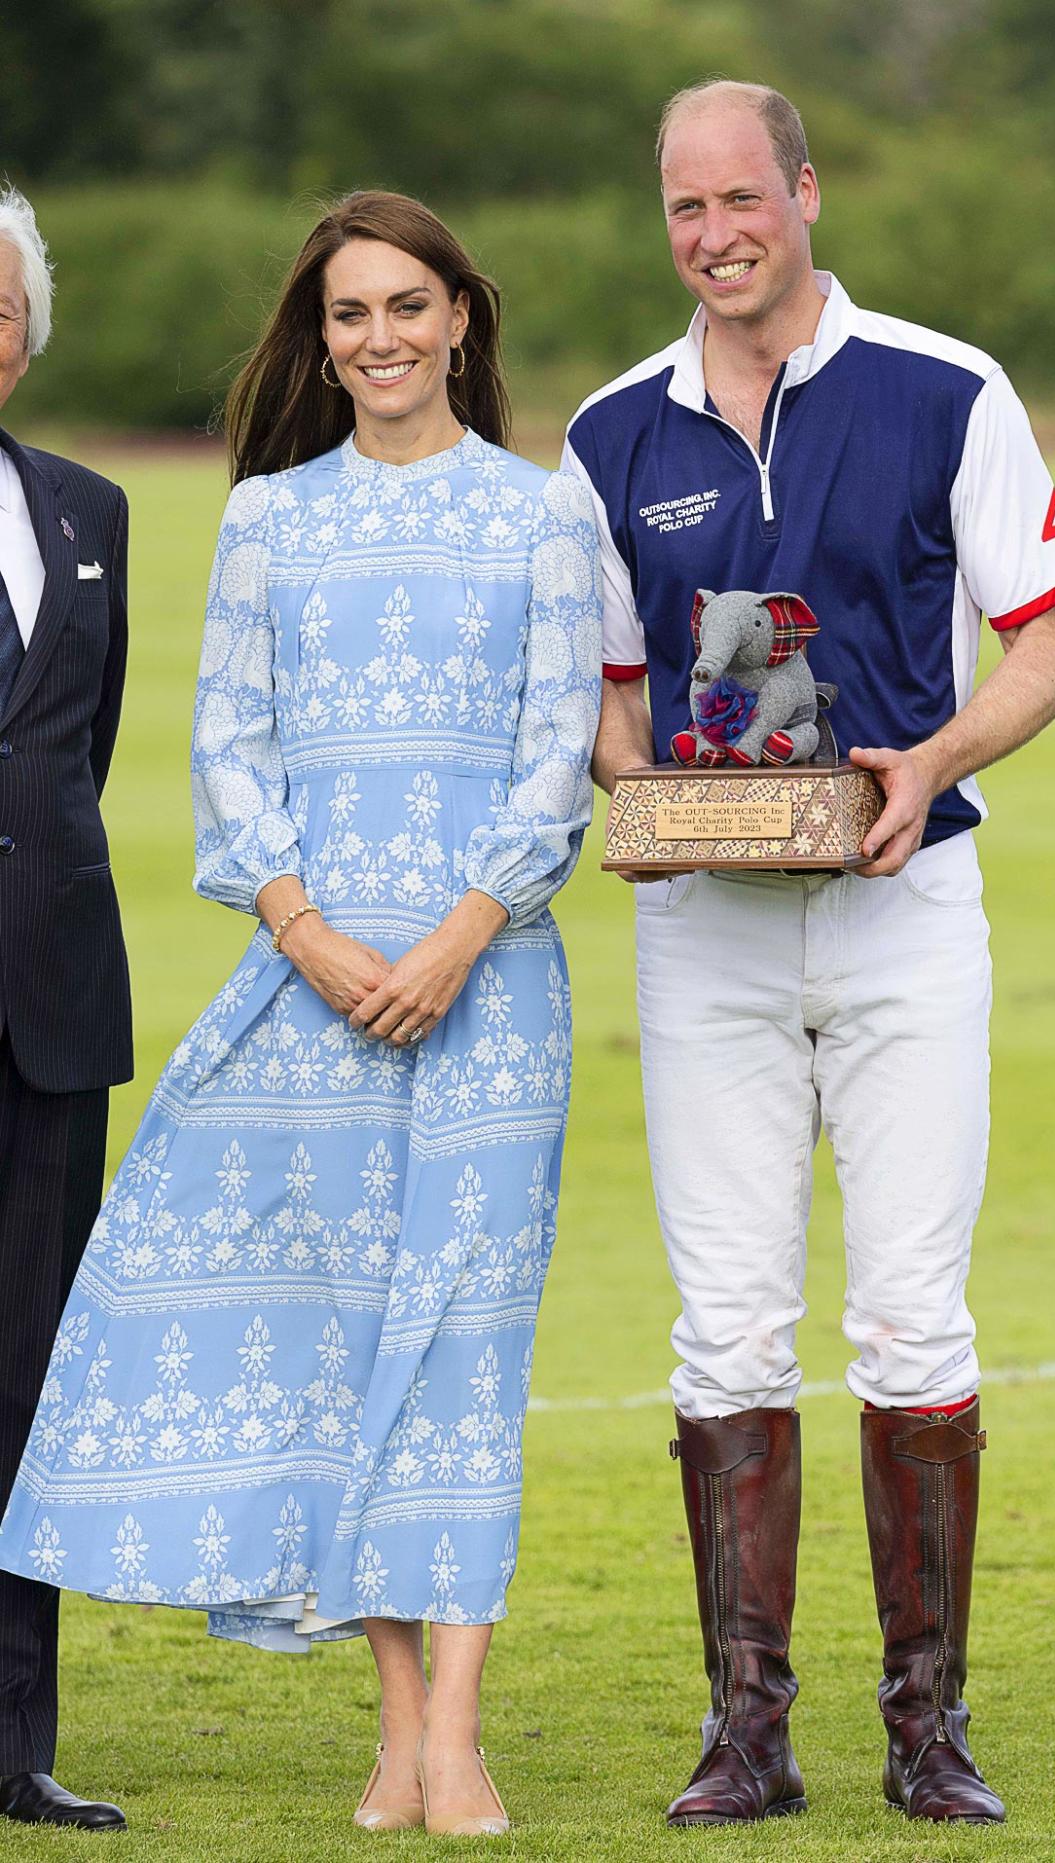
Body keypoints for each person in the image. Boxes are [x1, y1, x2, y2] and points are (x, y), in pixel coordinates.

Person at [0, 190, 601, 1839]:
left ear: (460, 318)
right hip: (314, 996)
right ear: (318, 338)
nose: (382, 338)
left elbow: (560, 761)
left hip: (491, 998)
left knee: (463, 1359)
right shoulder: (268, 519)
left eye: (409, 306)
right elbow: (227, 752)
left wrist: (460, 935)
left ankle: (457, 1738)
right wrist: (316, 939)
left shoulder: (546, 516)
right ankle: (394, 1726)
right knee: (352, 1360)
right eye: (351, 314)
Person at [564, 81, 1055, 1827]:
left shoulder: (947, 385)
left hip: (904, 909)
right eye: (680, 208)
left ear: (803, 190)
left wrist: (927, 763)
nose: (712, 236)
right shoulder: (608, 433)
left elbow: (1044, 644)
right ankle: (748, 1736)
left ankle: (926, 1731)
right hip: (704, 941)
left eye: (739, 199)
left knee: (909, 1314)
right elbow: (610, 696)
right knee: (722, 1332)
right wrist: (642, 799)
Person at [0, 186, 131, 1834]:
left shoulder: (90, 508)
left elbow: (68, 764)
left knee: (28, 1381)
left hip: (49, 1004)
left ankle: (12, 1743)